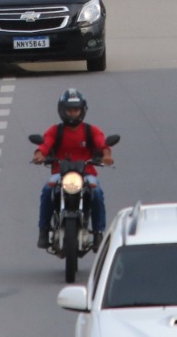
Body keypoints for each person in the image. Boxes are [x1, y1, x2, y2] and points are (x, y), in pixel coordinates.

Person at [32, 89, 112, 250]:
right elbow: (45, 144)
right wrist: (40, 154)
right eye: (69, 110)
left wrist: (106, 155)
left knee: (96, 192)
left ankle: (98, 232)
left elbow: (102, 144)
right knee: (48, 189)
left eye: (76, 110)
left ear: (82, 111)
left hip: (87, 174)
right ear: (62, 110)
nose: (73, 114)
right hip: (60, 174)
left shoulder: (91, 130)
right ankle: (44, 229)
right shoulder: (56, 131)